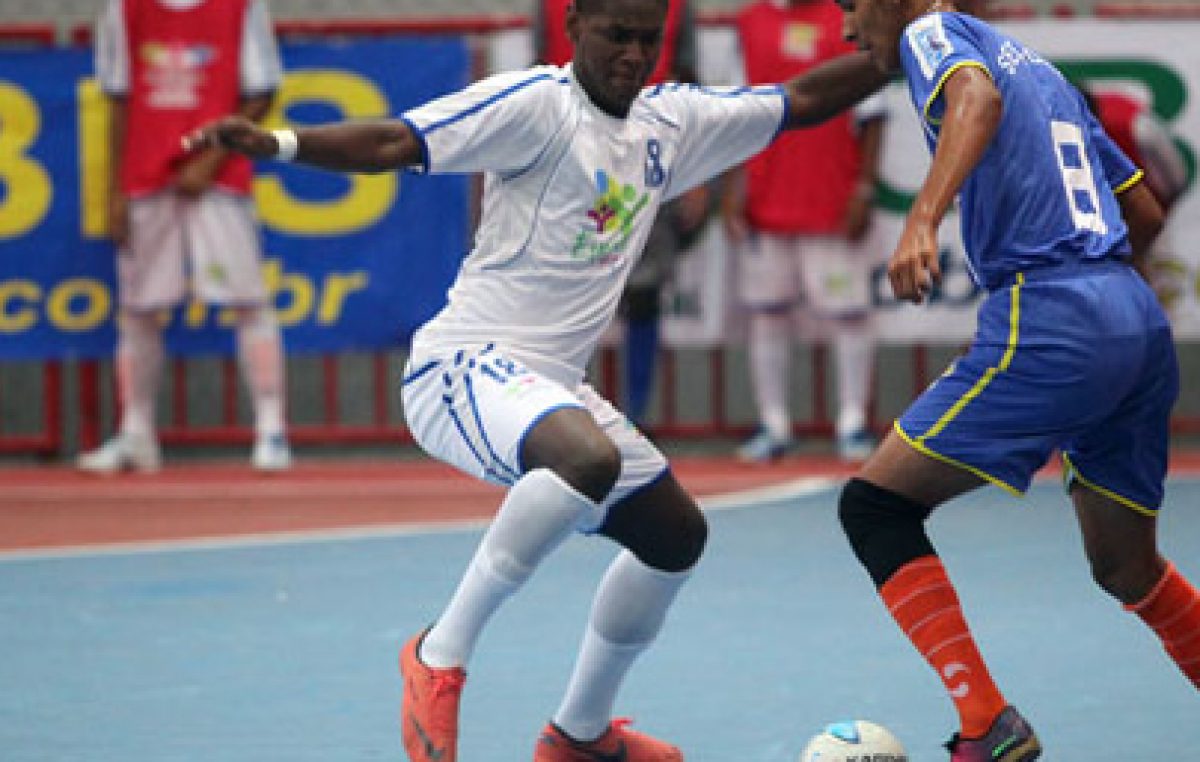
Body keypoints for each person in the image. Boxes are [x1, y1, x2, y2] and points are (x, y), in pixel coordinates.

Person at [189, 0, 887, 758]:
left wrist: (915, 47)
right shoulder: (534, 106)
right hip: (461, 368)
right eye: (617, 36)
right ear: (574, 25)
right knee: (588, 459)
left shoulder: (672, 123)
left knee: (674, 536)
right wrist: (278, 143)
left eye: (647, 41)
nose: (632, 55)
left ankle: (579, 734)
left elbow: (806, 99)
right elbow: (396, 139)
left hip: (551, 388)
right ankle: (437, 655)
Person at [831, 0, 1200, 759]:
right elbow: (1147, 213)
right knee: (1127, 566)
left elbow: (975, 100)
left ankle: (986, 720)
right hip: (1134, 318)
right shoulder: (1047, 74)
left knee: (875, 508)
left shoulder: (932, 32)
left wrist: (922, 217)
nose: (844, 27)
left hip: (1053, 315)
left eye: (849, 4)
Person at [78, 0, 291, 474]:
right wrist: (114, 191)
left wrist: (211, 157)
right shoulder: (125, 9)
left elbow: (261, 90)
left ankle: (271, 430)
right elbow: (117, 97)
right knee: (138, 306)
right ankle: (136, 434)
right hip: (145, 174)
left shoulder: (240, 7)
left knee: (248, 298)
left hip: (220, 179)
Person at [534, 0, 710, 431]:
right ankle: (563, 410)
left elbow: (688, 78)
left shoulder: (675, 6)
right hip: (570, 159)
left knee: (644, 293)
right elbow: (537, 73)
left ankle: (636, 415)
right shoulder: (552, 5)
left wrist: (697, 173)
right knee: (564, 293)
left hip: (643, 148)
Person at [725, 0, 888, 463]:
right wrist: (736, 186)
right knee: (767, 313)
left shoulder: (850, 17)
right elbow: (735, 111)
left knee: (849, 313)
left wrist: (864, 188)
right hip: (766, 194)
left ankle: (852, 423)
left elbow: (873, 113)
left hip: (831, 196)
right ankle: (773, 425)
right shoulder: (752, 23)